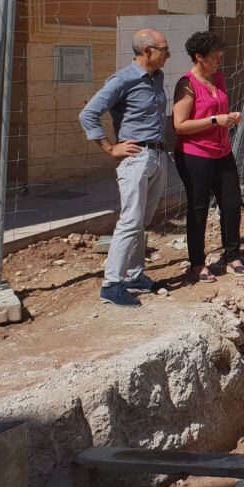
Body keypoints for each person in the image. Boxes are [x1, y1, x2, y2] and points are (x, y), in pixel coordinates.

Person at [79, 28, 171, 306]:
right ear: (147, 51)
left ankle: (133, 274)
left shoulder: (157, 77)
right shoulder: (123, 80)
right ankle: (112, 284)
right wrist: (110, 147)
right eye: (164, 50)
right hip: (136, 158)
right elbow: (88, 114)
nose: (167, 55)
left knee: (142, 221)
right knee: (130, 220)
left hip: (157, 155)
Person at [172, 31, 244, 283]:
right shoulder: (186, 84)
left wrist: (229, 119)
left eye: (219, 57)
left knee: (232, 203)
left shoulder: (218, 79)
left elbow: (220, 110)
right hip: (195, 154)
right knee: (198, 208)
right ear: (198, 57)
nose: (218, 62)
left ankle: (232, 255)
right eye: (214, 58)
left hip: (222, 151)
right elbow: (180, 125)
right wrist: (215, 120)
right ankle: (196, 263)